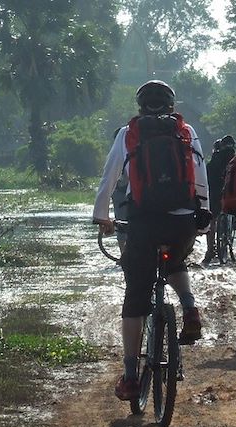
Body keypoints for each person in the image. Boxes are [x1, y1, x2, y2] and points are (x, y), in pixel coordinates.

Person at [93, 80, 210, 400]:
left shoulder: (127, 133)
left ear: (140, 106)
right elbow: (200, 176)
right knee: (177, 258)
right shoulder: (186, 131)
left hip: (144, 221)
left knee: (135, 296)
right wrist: (203, 216)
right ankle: (189, 307)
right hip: (182, 221)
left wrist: (101, 215)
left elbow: (110, 176)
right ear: (172, 105)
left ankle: (131, 377)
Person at [202, 135, 236, 265]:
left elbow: (207, 177)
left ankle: (210, 250)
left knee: (212, 220)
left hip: (214, 192)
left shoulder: (214, 160)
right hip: (231, 192)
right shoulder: (235, 159)